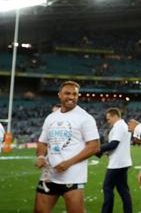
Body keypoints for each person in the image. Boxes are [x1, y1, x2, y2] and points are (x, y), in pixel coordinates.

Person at [34, 81, 100, 213]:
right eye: (67, 93)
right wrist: (41, 156)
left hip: (73, 177)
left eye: (74, 94)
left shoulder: (85, 118)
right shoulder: (51, 118)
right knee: (39, 211)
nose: (71, 97)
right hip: (49, 176)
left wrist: (68, 163)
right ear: (59, 95)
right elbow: (42, 142)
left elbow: (94, 146)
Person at [96, 107, 133, 213]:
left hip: (117, 164)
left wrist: (97, 149)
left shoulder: (119, 126)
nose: (108, 122)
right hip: (122, 162)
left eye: (109, 119)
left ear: (115, 116)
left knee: (107, 188)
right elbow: (116, 145)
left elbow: (114, 144)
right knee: (123, 190)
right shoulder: (122, 126)